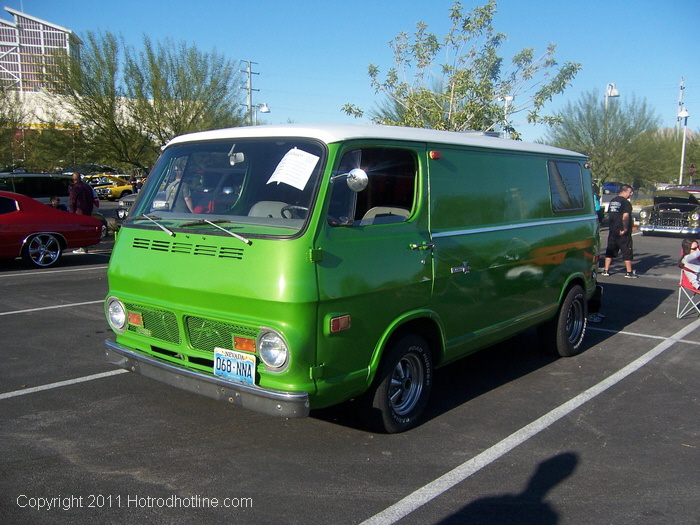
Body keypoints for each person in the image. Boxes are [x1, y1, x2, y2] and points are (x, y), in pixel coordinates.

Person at [602, 184, 636, 278]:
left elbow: (610, 215)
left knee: (610, 250)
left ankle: (606, 270)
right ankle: (629, 272)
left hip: (612, 230)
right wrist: (625, 228)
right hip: (622, 231)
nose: (631, 194)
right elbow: (625, 216)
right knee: (627, 250)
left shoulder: (613, 201)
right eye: (630, 192)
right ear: (624, 191)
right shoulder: (626, 203)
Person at [68, 171, 94, 254]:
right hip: (87, 211)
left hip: (79, 212)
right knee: (86, 229)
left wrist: (71, 214)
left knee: (80, 230)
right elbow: (92, 199)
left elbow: (72, 202)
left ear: (73, 179)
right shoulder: (87, 187)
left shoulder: (74, 188)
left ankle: (82, 247)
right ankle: (85, 246)